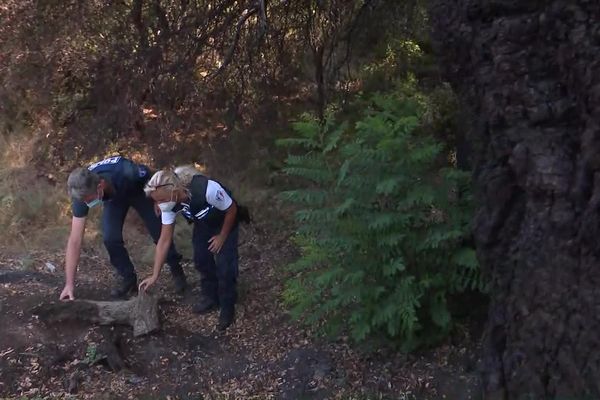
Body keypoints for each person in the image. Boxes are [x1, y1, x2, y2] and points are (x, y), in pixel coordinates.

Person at [60, 155, 187, 300]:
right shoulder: (80, 192)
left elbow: (156, 176)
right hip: (113, 198)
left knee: (158, 231)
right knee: (110, 238)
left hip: (138, 190)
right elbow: (75, 240)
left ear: (100, 186)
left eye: (88, 200)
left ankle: (176, 269)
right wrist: (69, 284)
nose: (86, 203)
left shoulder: (126, 171)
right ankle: (127, 278)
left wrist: (158, 199)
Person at [139, 165, 243, 331]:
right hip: (203, 224)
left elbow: (232, 209)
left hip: (225, 222)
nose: (159, 205)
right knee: (201, 259)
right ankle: (210, 296)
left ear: (174, 191)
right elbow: (164, 240)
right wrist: (154, 275)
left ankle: (227, 306)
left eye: (161, 200)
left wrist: (222, 236)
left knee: (226, 267)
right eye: (156, 201)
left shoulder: (206, 189)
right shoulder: (170, 205)